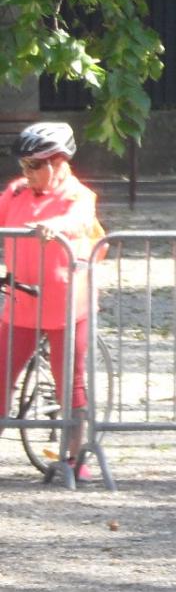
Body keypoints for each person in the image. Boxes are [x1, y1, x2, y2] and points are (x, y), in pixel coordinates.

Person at [2, 123, 103, 480]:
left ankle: (76, 458)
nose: (26, 173)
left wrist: (55, 226)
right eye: (23, 165)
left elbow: (78, 220)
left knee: (69, 383)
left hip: (66, 306)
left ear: (59, 162)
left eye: (33, 165)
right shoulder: (14, 193)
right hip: (21, 303)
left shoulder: (79, 195)